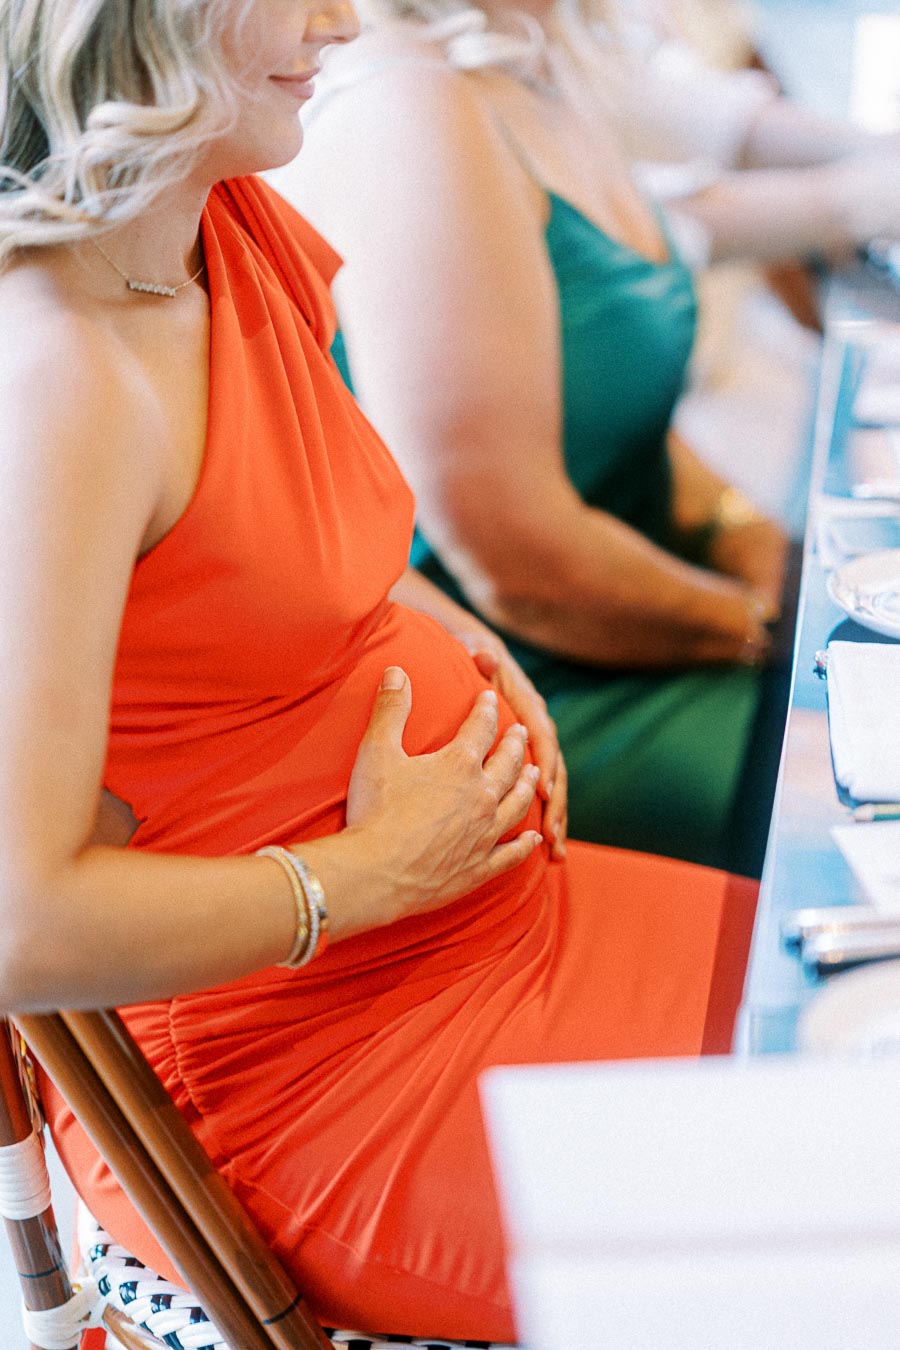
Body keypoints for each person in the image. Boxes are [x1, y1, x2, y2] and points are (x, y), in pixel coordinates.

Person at [0, 0, 758, 1343]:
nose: (345, 21)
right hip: (319, 1072)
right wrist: (364, 879)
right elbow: (19, 927)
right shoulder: (58, 380)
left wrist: (468, 639)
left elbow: (305, 536)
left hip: (501, 931)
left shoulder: (220, 231)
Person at [269, 0, 804, 874]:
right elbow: (522, 570)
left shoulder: (539, 56)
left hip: (637, 629)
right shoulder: (407, 107)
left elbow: (612, 402)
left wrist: (739, 528)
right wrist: (758, 626)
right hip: (515, 707)